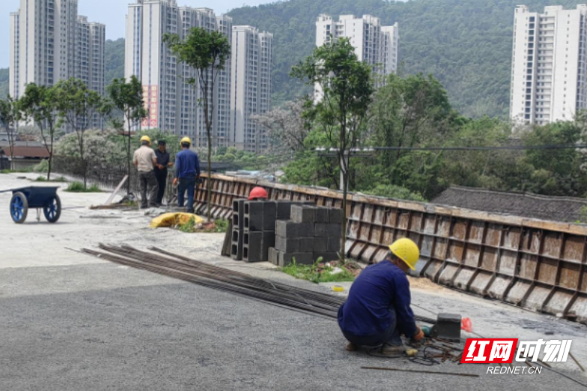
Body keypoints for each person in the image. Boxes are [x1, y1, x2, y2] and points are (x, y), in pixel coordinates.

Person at [337, 238, 425, 356]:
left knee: (358, 302)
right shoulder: (397, 275)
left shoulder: (370, 268)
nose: (407, 271)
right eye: (407, 266)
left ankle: (354, 342)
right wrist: (415, 332)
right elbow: (403, 311)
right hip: (374, 334)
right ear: (399, 261)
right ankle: (393, 344)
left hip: (348, 331)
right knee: (396, 306)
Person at [173, 137, 200, 213]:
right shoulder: (194, 154)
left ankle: (180, 207)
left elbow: (177, 167)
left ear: (181, 145)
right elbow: (197, 166)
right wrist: (198, 175)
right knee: (190, 193)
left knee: (181, 192)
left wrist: (176, 177)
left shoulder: (179, 154)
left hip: (182, 177)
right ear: (189, 145)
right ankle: (189, 209)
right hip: (192, 177)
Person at [133, 135, 159, 209]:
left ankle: (143, 204)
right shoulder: (151, 150)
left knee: (142, 188)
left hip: (140, 171)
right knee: (154, 186)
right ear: (148, 143)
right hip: (148, 171)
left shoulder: (136, 151)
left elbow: (135, 162)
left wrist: (140, 165)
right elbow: (154, 161)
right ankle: (152, 203)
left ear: (141, 142)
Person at [154, 140, 173, 205]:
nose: (162, 147)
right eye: (160, 146)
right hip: (156, 171)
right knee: (155, 186)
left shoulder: (167, 154)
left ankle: (159, 201)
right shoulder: (155, 152)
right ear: (158, 146)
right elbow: (153, 162)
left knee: (162, 186)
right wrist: (157, 165)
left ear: (165, 146)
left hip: (164, 172)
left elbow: (168, 162)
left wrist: (168, 164)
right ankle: (154, 201)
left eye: (163, 146)